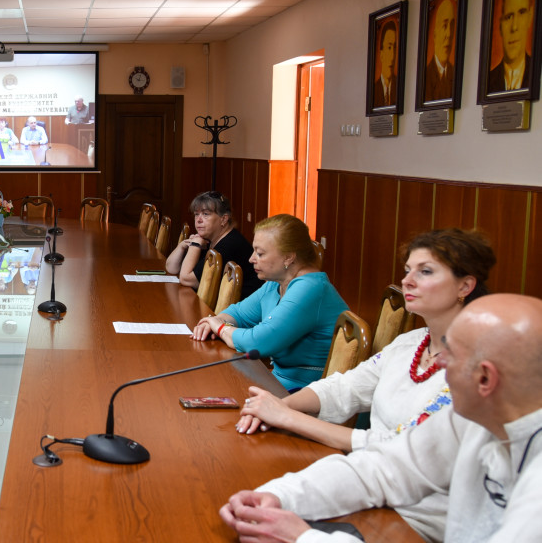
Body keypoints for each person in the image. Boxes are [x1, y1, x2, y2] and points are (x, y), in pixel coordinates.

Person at [235, 228, 495, 540]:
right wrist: (278, 407)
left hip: (419, 522)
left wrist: (288, 417)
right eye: (407, 271)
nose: (408, 281)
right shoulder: (410, 342)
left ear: (465, 285)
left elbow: (397, 451)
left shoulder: (476, 372)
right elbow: (344, 387)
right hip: (372, 492)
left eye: (425, 272)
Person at [220, 294, 542, 543]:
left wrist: (304, 536)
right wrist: (280, 496)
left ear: (485, 380)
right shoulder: (474, 415)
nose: (439, 363)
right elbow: (382, 468)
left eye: (452, 355)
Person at [192, 214, 347, 390]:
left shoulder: (310, 289)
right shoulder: (277, 282)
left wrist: (219, 327)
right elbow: (239, 313)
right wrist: (217, 320)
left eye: (260, 253)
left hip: (307, 394)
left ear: (288, 257)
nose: (251, 259)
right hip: (277, 380)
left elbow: (256, 342)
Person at [165, 192, 260, 299]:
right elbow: (171, 268)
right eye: (196, 214)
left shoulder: (230, 245)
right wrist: (182, 246)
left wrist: (195, 245)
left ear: (223, 219)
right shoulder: (210, 239)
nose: (199, 220)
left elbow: (186, 279)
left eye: (206, 214)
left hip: (238, 310)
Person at [488, 0, 535, 93]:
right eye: (508, 17)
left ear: (530, 17)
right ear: (500, 26)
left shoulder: (536, 75)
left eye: (522, 13)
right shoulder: (489, 81)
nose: (514, 27)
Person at [424, 0, 457, 102]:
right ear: (434, 34)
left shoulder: (455, 74)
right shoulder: (425, 77)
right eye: (444, 26)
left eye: (452, 26)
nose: (449, 34)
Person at [373, 21, 398, 107]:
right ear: (381, 53)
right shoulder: (374, 91)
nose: (392, 56)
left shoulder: (399, 88)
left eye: (394, 48)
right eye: (389, 47)